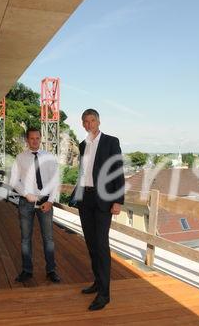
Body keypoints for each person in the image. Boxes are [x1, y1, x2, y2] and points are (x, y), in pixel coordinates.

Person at [71, 108, 125, 311]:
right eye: (85, 121)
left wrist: (118, 200)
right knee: (91, 244)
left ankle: (104, 295)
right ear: (82, 124)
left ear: (99, 122)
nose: (89, 124)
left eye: (92, 120)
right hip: (86, 199)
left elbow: (117, 171)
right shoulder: (83, 144)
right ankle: (98, 282)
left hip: (104, 200)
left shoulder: (111, 141)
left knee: (101, 245)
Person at [9, 127, 61, 283]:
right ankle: (27, 270)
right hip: (26, 203)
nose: (35, 141)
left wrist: (51, 201)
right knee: (25, 239)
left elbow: (55, 180)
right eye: (32, 138)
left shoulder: (50, 157)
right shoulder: (20, 158)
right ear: (27, 140)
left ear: (41, 138)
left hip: (45, 202)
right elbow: (13, 181)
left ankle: (51, 270)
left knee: (48, 239)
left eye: (37, 138)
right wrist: (26, 194)